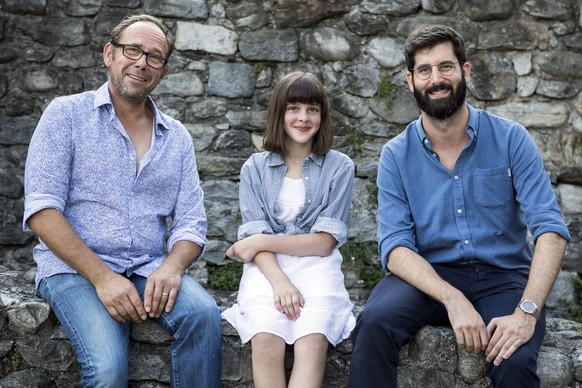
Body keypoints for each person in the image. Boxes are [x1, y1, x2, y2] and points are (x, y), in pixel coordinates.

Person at [348, 24, 570, 387]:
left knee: (513, 358)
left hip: (503, 276)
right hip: (429, 276)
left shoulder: (511, 139)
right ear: (410, 80)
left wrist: (526, 312)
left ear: (464, 71)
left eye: (445, 67)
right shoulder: (395, 155)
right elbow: (395, 247)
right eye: (424, 70)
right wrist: (452, 298)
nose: (436, 79)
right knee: (373, 324)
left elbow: (550, 230)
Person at [23, 14, 221, 387]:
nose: (142, 63)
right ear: (109, 54)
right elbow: (42, 210)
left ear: (163, 72)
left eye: (154, 57)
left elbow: (192, 223)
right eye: (133, 50)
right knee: (109, 369)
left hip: (148, 266)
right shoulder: (65, 115)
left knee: (203, 314)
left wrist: (173, 267)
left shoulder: (176, 137)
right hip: (74, 271)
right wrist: (103, 278)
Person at [221, 71, 356, 388]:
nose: (303, 118)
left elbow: (324, 243)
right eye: (294, 108)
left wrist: (259, 241)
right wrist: (280, 281)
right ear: (279, 113)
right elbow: (256, 246)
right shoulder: (254, 168)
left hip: (318, 267)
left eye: (312, 109)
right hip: (267, 269)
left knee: (312, 341)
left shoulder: (340, 167)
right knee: (265, 340)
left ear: (322, 116)